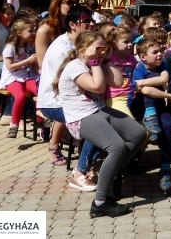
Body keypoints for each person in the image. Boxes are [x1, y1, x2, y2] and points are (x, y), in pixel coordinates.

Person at [55, 30, 147, 218]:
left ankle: (111, 174)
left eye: (105, 48)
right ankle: (100, 203)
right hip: (80, 117)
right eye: (99, 48)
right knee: (117, 147)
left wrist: (106, 60)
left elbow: (119, 82)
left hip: (98, 110)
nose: (102, 51)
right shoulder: (76, 66)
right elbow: (98, 86)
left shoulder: (98, 62)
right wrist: (96, 62)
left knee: (138, 133)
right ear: (84, 49)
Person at [37, 5, 97, 175]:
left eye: (92, 20)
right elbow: (65, 83)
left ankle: (83, 149)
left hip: (74, 97)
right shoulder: (61, 49)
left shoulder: (81, 42)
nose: (91, 24)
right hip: (54, 100)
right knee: (92, 123)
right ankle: (80, 164)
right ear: (72, 24)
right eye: (86, 21)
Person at [128, 33, 171, 193]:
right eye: (155, 52)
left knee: (168, 125)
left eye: (160, 50)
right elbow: (141, 90)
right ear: (143, 57)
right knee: (145, 91)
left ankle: (165, 168)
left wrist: (141, 83)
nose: (160, 54)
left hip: (159, 105)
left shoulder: (163, 64)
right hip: (139, 107)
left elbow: (164, 79)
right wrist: (168, 95)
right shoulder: (139, 68)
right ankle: (149, 119)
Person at [0, 15, 40, 138]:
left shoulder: (27, 46)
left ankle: (40, 121)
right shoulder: (10, 48)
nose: (34, 33)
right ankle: (14, 124)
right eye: (30, 30)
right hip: (11, 78)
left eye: (34, 30)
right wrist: (28, 61)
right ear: (19, 33)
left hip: (24, 77)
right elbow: (10, 66)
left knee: (40, 91)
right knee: (20, 96)